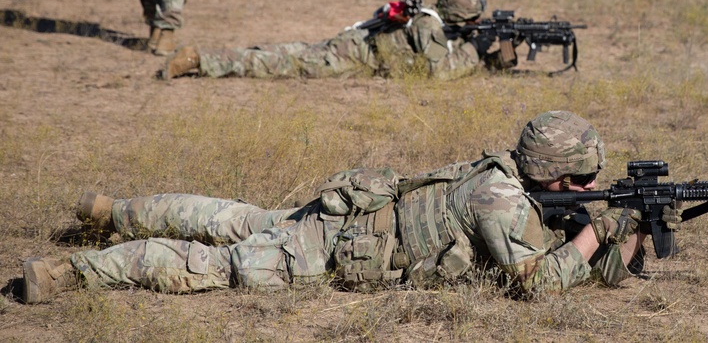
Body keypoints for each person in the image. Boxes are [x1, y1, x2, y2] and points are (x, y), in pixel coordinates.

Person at [22, 110, 656, 303]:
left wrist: (636, 230)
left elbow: (580, 251)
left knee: (235, 216)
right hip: (328, 249)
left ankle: (111, 208)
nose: (587, 189)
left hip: (344, 213)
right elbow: (537, 284)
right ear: (553, 173)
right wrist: (597, 235)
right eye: (582, 180)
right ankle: (72, 272)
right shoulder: (501, 200)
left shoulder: (501, 172)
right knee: (218, 264)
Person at [160, 0, 489, 80]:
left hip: (353, 43)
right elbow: (438, 73)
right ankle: (199, 60)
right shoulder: (429, 26)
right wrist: (474, 50)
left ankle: (204, 57)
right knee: (283, 63)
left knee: (289, 52)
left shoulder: (430, 17)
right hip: (350, 56)